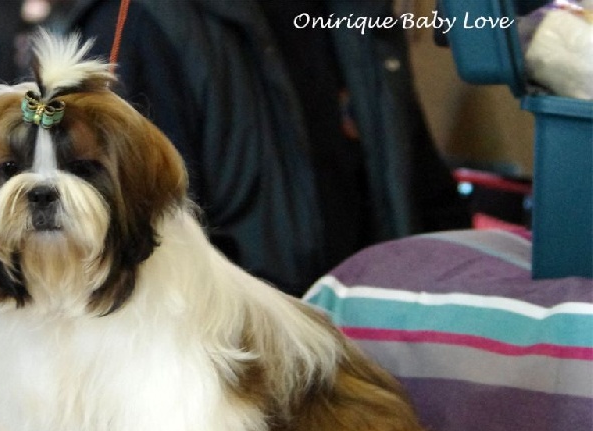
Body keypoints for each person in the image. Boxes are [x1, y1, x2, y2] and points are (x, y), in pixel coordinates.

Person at [43, 0, 470, 296]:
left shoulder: (356, 14)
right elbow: (139, 254)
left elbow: (422, 192)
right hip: (246, 365)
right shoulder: (145, 21)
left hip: (373, 342)